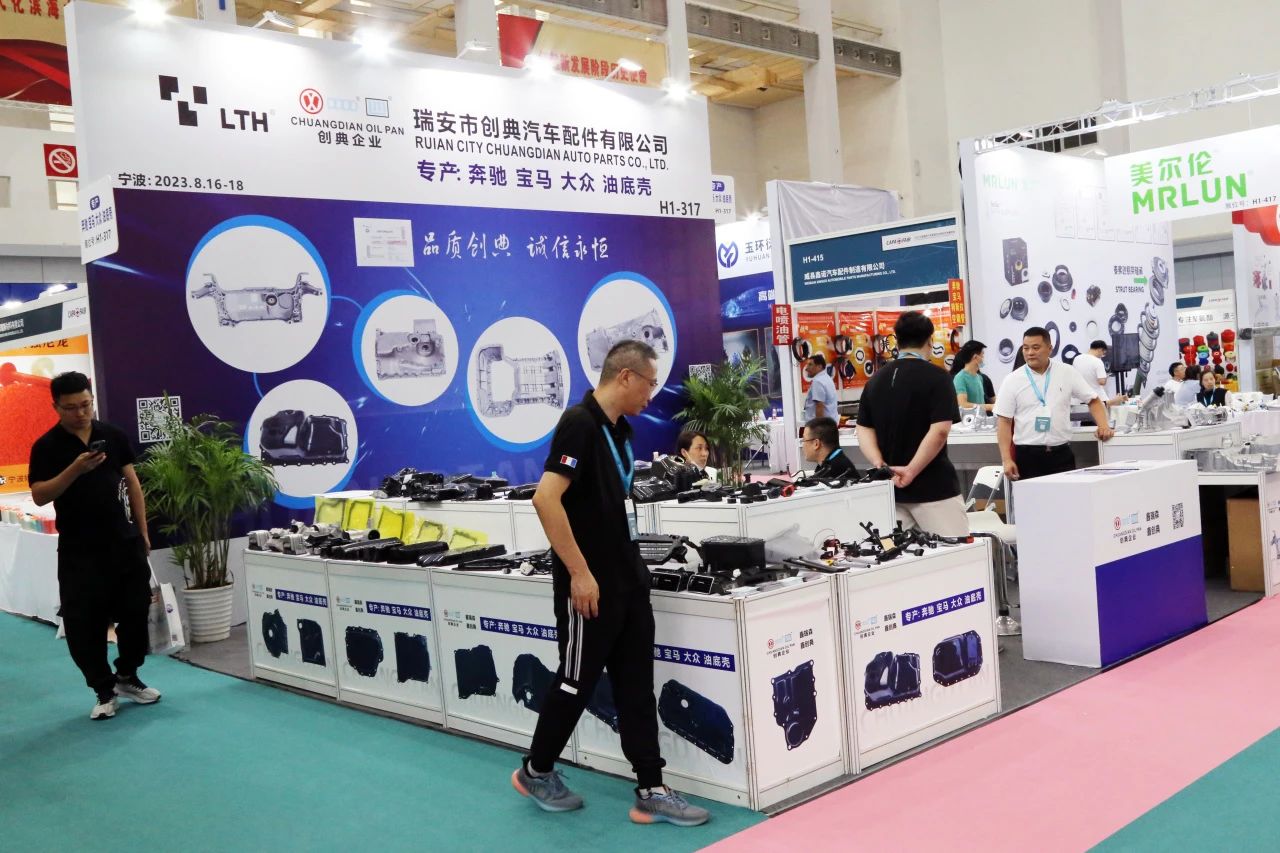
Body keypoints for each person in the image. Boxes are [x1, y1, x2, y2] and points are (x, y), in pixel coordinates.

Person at [516, 340, 709, 827]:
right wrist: (580, 573)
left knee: (637, 685)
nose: (651, 395)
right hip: (591, 584)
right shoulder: (579, 424)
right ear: (625, 376)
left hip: (628, 579)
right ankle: (536, 770)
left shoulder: (621, 430)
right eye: (649, 384)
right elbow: (545, 499)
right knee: (576, 680)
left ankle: (652, 788)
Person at [28, 371, 159, 721]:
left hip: (124, 541)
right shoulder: (46, 446)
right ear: (56, 407)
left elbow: (132, 483)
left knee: (136, 612)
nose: (81, 413)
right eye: (71, 407)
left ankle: (127, 675)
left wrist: (143, 532)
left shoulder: (112, 435)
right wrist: (74, 470)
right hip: (80, 549)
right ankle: (103, 689)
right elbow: (40, 495)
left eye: (86, 405)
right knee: (84, 623)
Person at [856, 311, 968, 537]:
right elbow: (940, 431)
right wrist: (911, 470)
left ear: (897, 341)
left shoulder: (875, 380)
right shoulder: (938, 377)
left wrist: (880, 465)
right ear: (930, 340)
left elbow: (863, 428)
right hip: (935, 489)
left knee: (898, 554)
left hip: (891, 489)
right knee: (955, 551)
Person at [995, 327, 1114, 481]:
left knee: (1065, 496)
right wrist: (1006, 460)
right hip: (1027, 456)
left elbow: (1093, 400)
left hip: (1061, 454)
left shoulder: (1066, 372)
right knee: (1031, 497)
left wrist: (1103, 426)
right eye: (1026, 348)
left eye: (1036, 347)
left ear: (1049, 349)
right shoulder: (1012, 380)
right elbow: (1004, 421)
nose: (1030, 352)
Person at [951, 341, 993, 412]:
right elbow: (963, 404)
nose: (983, 358)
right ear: (975, 357)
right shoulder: (960, 378)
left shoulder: (979, 377)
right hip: (968, 418)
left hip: (981, 417)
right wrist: (989, 406)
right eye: (982, 355)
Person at [802, 354, 838, 424]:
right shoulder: (827, 378)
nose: (806, 369)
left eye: (810, 365)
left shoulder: (818, 381)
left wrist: (819, 427)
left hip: (821, 426)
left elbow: (819, 406)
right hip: (830, 423)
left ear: (819, 366)